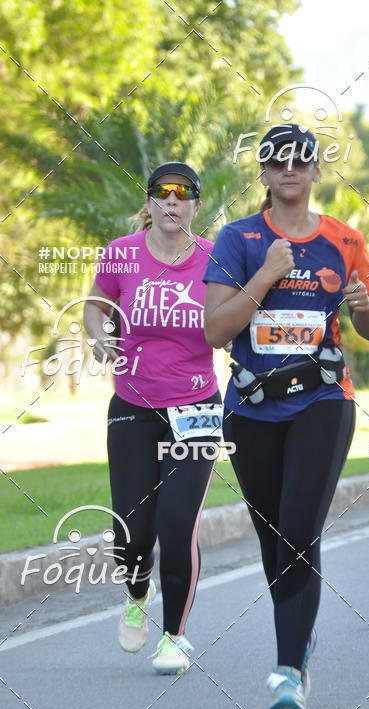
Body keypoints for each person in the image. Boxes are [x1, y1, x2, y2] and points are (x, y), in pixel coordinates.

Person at [204, 124, 369, 709]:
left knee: (300, 529)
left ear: (314, 172)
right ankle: (300, 634)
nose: (289, 171)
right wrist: (266, 275)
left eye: (300, 162)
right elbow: (215, 330)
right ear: (263, 174)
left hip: (324, 401)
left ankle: (287, 671)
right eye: (277, 163)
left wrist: (367, 309)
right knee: (273, 535)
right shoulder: (239, 239)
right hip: (252, 406)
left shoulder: (345, 240)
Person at [84, 162, 221, 673]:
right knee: (134, 530)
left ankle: (175, 637)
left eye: (182, 194)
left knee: (176, 521)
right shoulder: (122, 253)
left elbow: (231, 317)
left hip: (197, 405)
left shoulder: (213, 259)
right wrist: (101, 337)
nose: (171, 201)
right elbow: (96, 306)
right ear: (150, 203)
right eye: (162, 193)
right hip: (133, 407)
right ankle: (136, 594)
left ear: (195, 206)